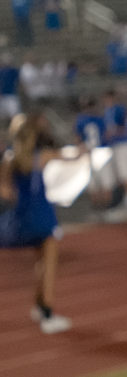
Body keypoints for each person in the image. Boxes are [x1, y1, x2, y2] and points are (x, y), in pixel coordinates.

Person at [0, 114, 73, 332]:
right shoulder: (42, 157)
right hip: (40, 216)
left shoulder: (8, 162)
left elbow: (5, 191)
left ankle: (39, 306)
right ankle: (46, 313)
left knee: (41, 258)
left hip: (17, 219)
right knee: (48, 260)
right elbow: (69, 156)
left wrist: (16, 199)